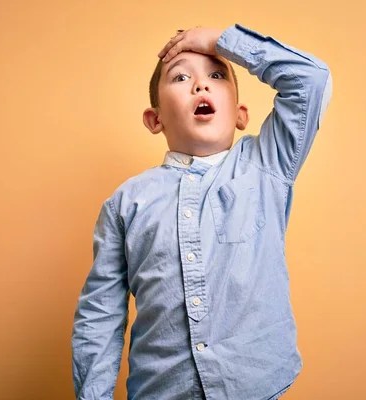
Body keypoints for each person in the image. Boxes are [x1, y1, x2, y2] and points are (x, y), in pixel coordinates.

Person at [72, 23, 332, 400]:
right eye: (180, 77)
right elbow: (100, 314)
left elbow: (311, 80)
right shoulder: (126, 203)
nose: (200, 85)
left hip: (257, 389)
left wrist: (220, 42)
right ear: (155, 119)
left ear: (241, 115)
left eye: (216, 74)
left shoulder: (265, 166)